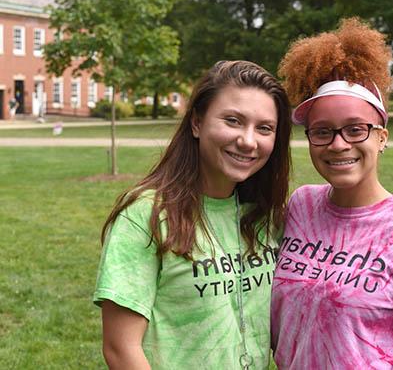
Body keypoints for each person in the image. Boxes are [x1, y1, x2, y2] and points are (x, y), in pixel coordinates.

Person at [271, 18, 393, 369]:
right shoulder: (301, 205)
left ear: (382, 137)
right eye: (322, 131)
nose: (338, 144)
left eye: (355, 129)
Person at [93, 60, 292, 369]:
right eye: (233, 121)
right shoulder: (146, 215)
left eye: (264, 128)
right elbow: (121, 349)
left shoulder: (265, 217)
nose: (248, 140)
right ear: (197, 123)